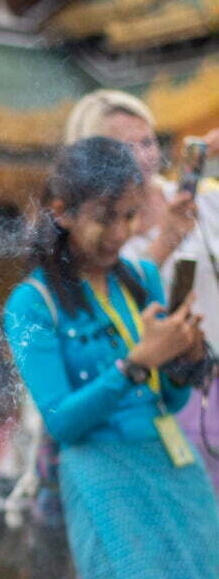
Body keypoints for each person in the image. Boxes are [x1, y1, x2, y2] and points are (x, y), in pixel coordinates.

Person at [4, 138, 218, 579]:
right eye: (106, 217)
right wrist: (132, 363)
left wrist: (183, 362)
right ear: (62, 209)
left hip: (176, 473)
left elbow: (169, 404)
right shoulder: (31, 303)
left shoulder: (144, 276)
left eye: (129, 217)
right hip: (100, 477)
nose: (120, 232)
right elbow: (63, 422)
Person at [65, 89, 219, 485]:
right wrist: (166, 239)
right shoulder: (90, 232)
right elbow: (105, 299)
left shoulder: (202, 200)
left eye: (147, 141)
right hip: (154, 394)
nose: (142, 155)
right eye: (123, 146)